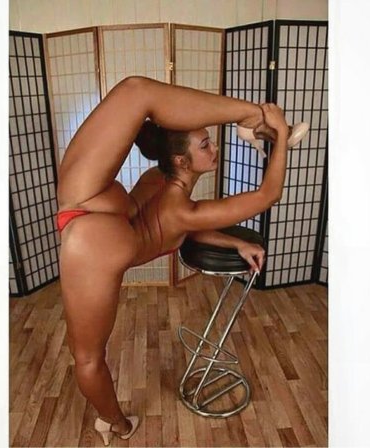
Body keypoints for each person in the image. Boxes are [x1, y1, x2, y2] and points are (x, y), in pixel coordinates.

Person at [56, 76, 290, 445]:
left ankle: (111, 421)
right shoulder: (179, 206)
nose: (215, 149)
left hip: (94, 216)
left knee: (136, 91)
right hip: (94, 235)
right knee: (87, 358)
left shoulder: (161, 179)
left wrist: (234, 243)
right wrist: (282, 137)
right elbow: (268, 195)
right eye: (205, 144)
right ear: (182, 160)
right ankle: (116, 424)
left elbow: (184, 227)